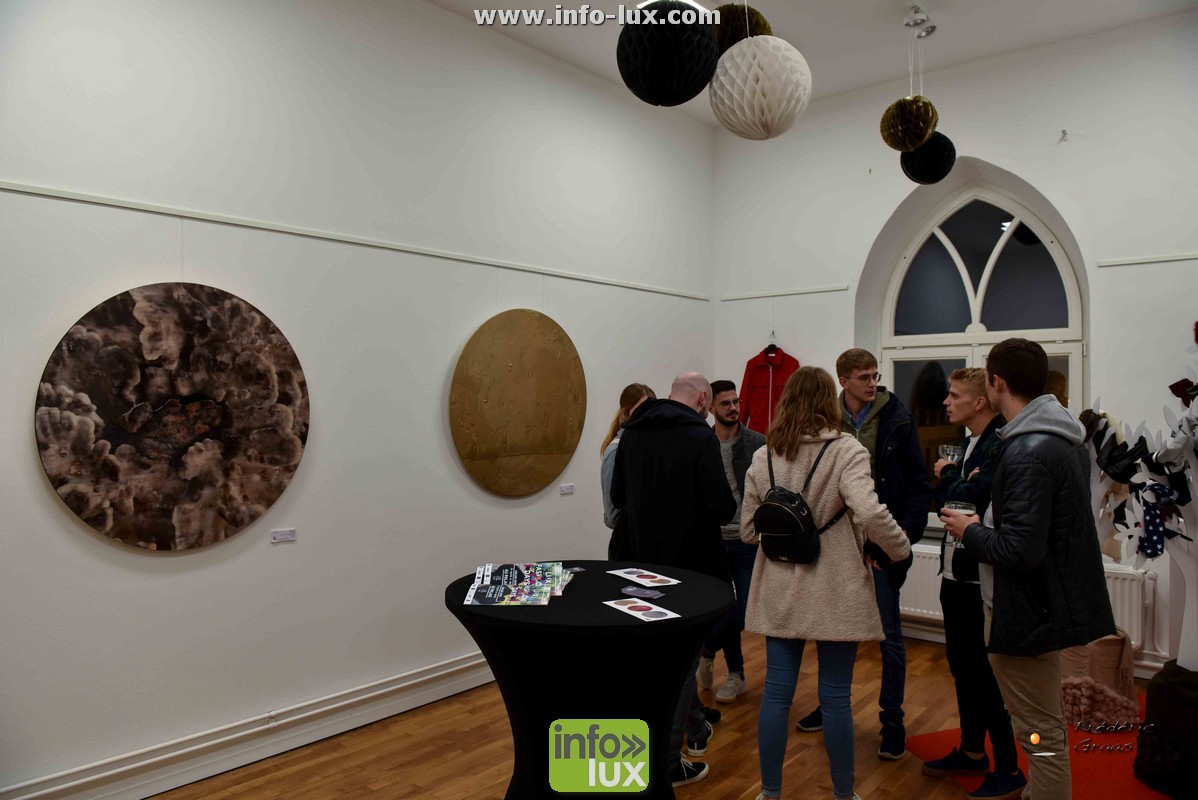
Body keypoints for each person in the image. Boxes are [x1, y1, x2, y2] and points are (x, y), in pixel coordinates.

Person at [942, 338, 1116, 800]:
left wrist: (969, 531)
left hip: (1025, 611)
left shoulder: (1027, 451)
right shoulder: (1058, 438)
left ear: (996, 383)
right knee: (1041, 726)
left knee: (1041, 736)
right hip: (1043, 605)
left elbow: (1019, 549)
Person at [742, 366, 912, 800]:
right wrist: (900, 549)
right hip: (836, 585)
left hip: (780, 585)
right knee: (835, 698)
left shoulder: (764, 455)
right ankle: (843, 795)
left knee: (776, 694)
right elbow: (869, 512)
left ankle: (770, 793)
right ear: (827, 401)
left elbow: (747, 530)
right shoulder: (847, 450)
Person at [795, 349, 932, 761]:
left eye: (875, 375)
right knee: (832, 629)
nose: (873, 383)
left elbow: (918, 482)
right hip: (837, 546)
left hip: (882, 543)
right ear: (843, 381)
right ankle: (830, 705)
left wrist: (903, 536)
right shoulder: (825, 418)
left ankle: (893, 722)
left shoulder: (897, 418)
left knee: (889, 637)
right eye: (864, 377)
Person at [611, 371, 737, 787]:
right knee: (681, 666)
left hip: (639, 568)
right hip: (690, 572)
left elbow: (618, 498)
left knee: (656, 662)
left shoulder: (632, 433)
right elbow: (722, 508)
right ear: (703, 400)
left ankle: (691, 732)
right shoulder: (700, 438)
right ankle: (666, 764)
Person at [922, 368, 1026, 800]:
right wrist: (956, 482)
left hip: (978, 577)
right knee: (962, 669)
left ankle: (1009, 768)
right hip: (955, 572)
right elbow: (949, 503)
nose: (946, 402)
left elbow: (968, 498)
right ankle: (971, 750)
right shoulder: (968, 443)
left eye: (955, 395)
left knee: (984, 676)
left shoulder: (1000, 444)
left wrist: (949, 474)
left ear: (980, 401)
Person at [696, 380, 766, 704]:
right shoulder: (702, 443)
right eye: (725, 403)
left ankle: (708, 650)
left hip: (747, 538)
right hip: (713, 538)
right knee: (722, 607)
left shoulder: (757, 443)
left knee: (745, 609)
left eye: (736, 402)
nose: (734, 408)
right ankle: (736, 674)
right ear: (711, 407)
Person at [600, 382, 655, 559]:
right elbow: (613, 516)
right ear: (625, 414)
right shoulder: (615, 451)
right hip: (627, 546)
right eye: (641, 411)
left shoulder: (649, 448)